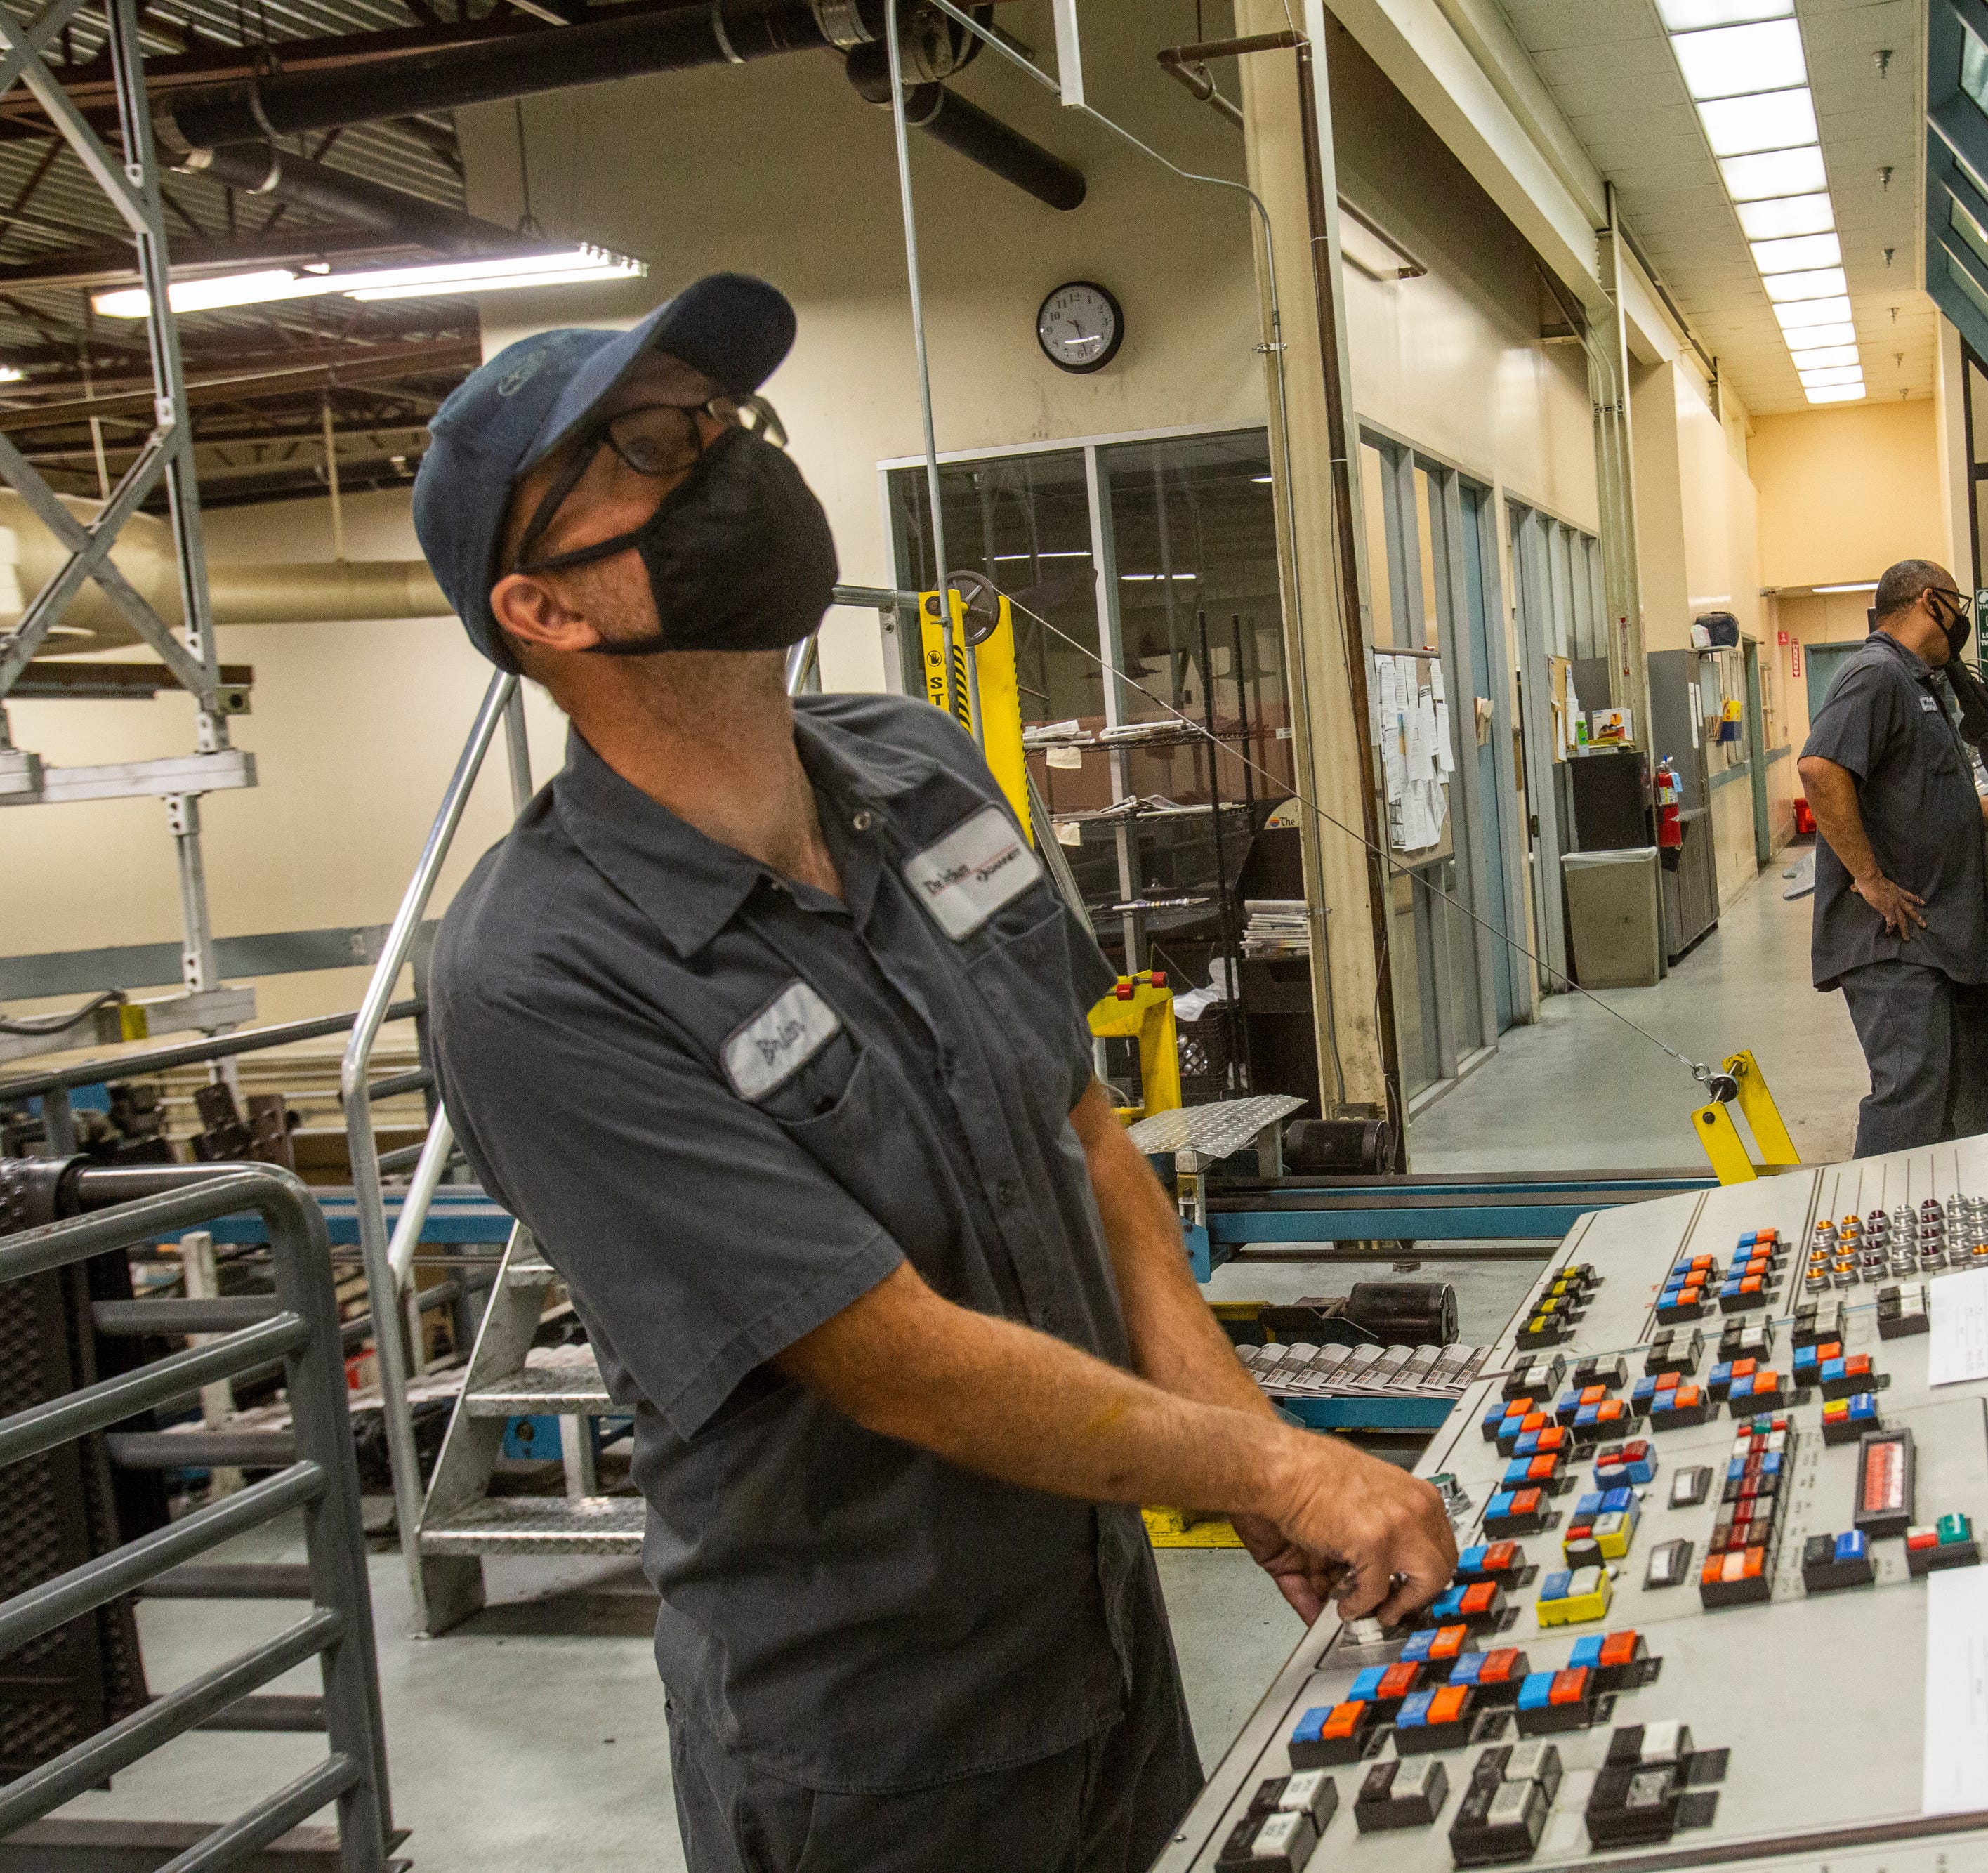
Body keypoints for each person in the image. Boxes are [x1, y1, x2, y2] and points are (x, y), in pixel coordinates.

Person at [413, 274, 1455, 1873]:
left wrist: (1248, 1461)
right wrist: (1269, 1463)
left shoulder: (918, 764)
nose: (720, 459)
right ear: (540, 609)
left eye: (721, 421)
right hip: (876, 1748)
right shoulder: (540, 974)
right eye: (645, 443)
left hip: (1103, 1646)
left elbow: (1083, 1139)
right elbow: (889, 1354)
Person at [1796, 559, 1988, 1156]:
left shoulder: (1917, 685)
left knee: (1932, 1101)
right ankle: (1878, 1236)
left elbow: (1929, 807)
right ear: (1931, 601)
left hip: (1925, 942)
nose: (1962, 622)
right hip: (1893, 940)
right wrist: (1870, 880)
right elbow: (1819, 770)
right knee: (1908, 1100)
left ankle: (1921, 1227)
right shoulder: (1876, 675)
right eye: (1956, 605)